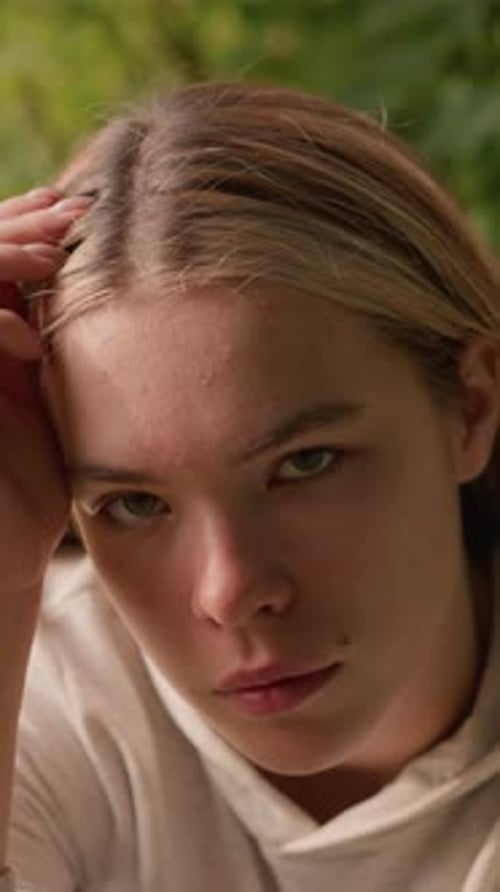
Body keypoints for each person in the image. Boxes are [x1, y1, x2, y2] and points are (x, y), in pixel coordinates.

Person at [0, 82, 499, 891]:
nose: (230, 593)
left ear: (471, 407)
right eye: (135, 504)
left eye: (305, 464)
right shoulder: (51, 702)